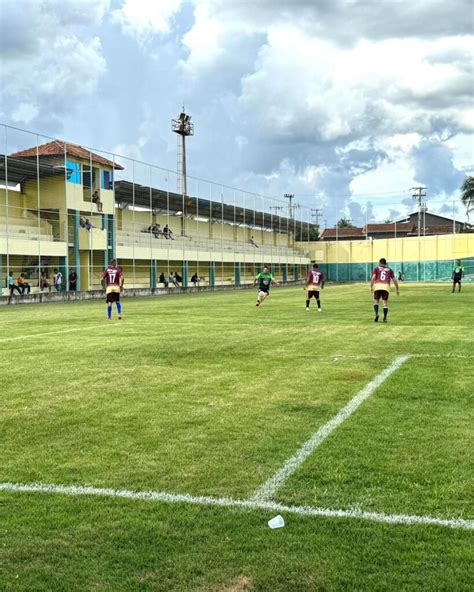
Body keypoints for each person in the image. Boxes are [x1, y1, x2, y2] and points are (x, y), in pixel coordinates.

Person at [370, 258, 400, 323]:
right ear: (385, 263)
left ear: (379, 263)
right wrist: (397, 289)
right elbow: (394, 280)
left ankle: (376, 314)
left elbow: (373, 277)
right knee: (385, 303)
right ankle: (385, 318)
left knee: (376, 302)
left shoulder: (376, 269)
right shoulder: (389, 270)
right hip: (386, 286)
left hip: (377, 285)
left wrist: (371, 286)